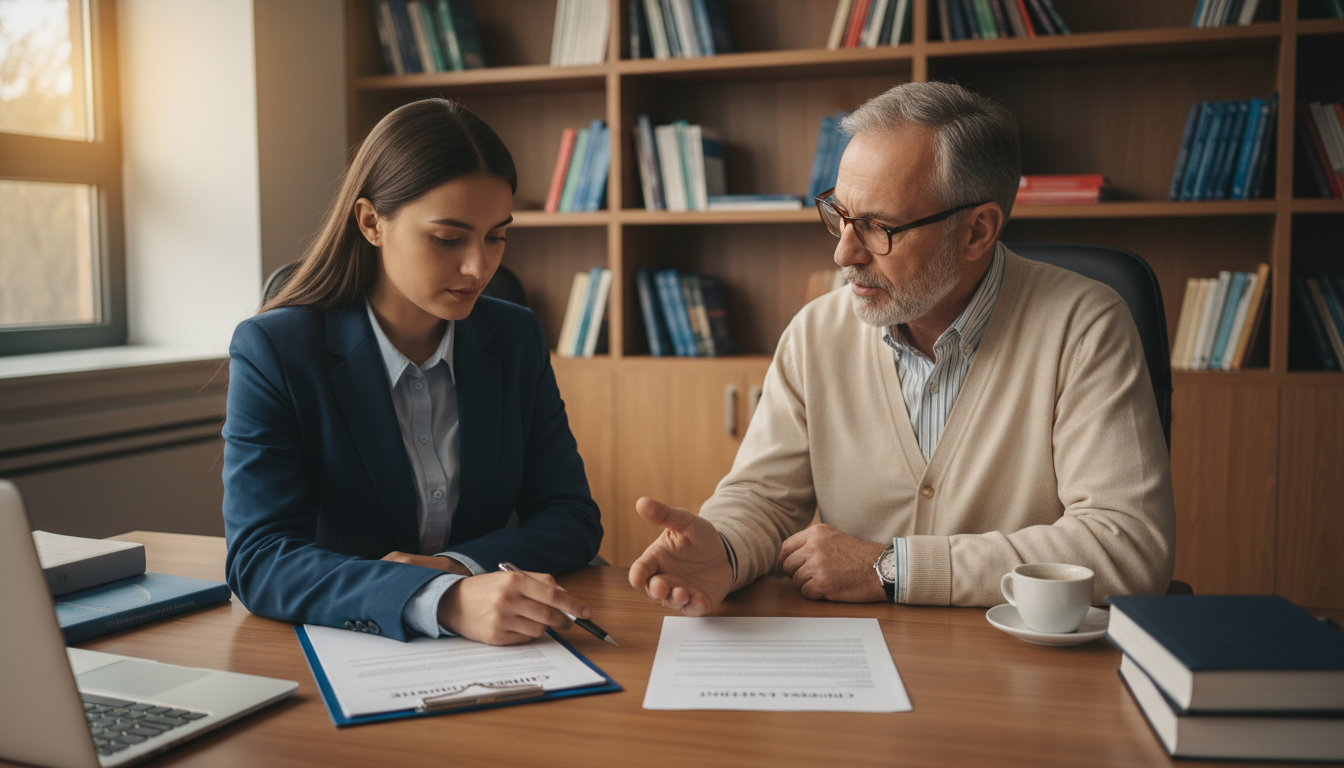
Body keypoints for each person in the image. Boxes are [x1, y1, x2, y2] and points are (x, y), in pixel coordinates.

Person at [629, 81, 1175, 616]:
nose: (844, 253)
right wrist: (723, 549)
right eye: (839, 215)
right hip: (855, 663)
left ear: (977, 232)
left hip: (1017, 674)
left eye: (877, 226)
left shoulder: (1085, 327)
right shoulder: (814, 333)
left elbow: (1127, 545)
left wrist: (892, 567)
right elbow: (764, 499)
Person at [223, 98, 602, 645]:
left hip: (496, 650)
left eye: (496, 236)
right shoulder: (274, 350)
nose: (479, 267)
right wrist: (436, 601)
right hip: (344, 648)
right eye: (448, 238)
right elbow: (259, 559)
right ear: (372, 222)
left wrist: (455, 568)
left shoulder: (515, 337)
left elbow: (570, 515)